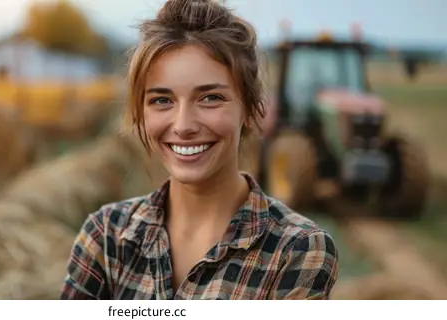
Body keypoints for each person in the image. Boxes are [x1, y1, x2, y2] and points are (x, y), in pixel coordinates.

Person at [60, 0, 339, 300]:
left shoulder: (297, 250)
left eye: (209, 98)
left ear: (248, 108)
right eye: (162, 100)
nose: (183, 126)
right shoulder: (105, 237)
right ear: (141, 112)